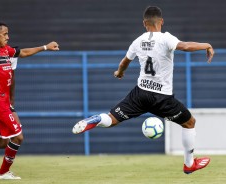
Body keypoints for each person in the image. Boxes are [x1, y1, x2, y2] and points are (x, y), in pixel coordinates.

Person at [72, 6, 214, 174]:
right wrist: (206, 45)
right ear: (161, 21)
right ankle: (189, 164)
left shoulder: (138, 41)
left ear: (144, 23)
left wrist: (120, 73)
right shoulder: (166, 38)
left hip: (140, 94)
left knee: (111, 119)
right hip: (162, 97)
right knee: (189, 123)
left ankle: (95, 119)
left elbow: (125, 61)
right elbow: (185, 46)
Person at [0, 20, 59, 179]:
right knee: (18, 137)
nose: (8, 37)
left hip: (3, 101)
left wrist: (45, 47)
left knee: (2, 142)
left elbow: (24, 52)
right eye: (5, 34)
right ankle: (3, 172)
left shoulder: (6, 50)